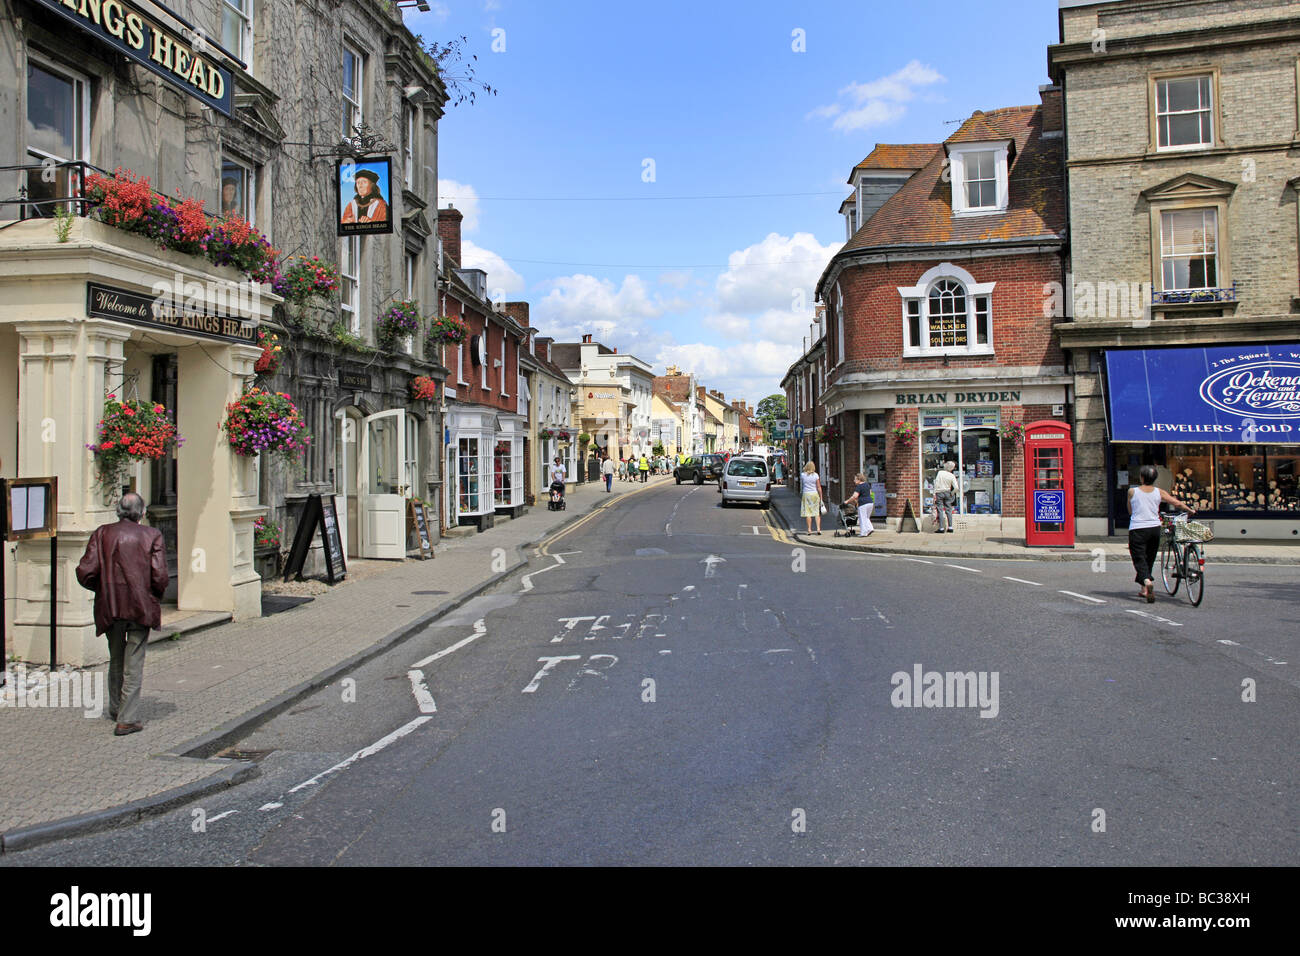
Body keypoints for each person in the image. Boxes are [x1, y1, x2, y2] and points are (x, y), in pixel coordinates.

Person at [74, 493, 168, 737]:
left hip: (111, 605)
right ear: (142, 512)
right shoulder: (151, 535)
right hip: (139, 607)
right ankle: (127, 718)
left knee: (116, 656)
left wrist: (103, 588)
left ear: (119, 510)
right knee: (133, 660)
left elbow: (86, 571)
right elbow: (159, 576)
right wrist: (152, 595)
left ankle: (117, 708)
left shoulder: (102, 533)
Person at [1128, 463, 1195, 603]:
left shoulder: (1132, 491)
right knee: (1149, 558)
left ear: (1141, 478)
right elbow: (1176, 503)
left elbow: (1130, 510)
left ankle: (1147, 582)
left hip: (1138, 528)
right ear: (1155, 478)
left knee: (1139, 558)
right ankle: (1144, 589)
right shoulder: (1159, 492)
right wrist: (1189, 510)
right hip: (1154, 528)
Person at [932, 461, 959, 533]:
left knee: (940, 510)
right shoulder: (952, 476)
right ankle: (950, 527)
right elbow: (956, 488)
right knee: (948, 510)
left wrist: (934, 493)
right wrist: (952, 493)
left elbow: (936, 483)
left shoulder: (940, 473)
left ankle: (941, 528)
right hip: (947, 492)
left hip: (939, 492)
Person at [844, 472, 874, 537]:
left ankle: (863, 533)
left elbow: (855, 496)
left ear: (859, 480)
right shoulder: (867, 485)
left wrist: (847, 501)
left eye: (855, 479)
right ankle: (870, 528)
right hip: (870, 503)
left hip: (863, 504)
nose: (854, 481)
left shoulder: (859, 486)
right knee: (866, 518)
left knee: (862, 518)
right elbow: (870, 493)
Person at [800, 461, 824, 535]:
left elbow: (803, 483)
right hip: (814, 494)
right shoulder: (816, 475)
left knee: (808, 513)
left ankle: (809, 530)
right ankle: (818, 529)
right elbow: (819, 487)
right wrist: (821, 497)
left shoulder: (803, 475)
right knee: (816, 512)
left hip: (806, 494)